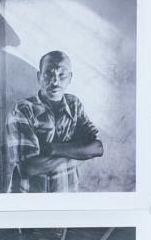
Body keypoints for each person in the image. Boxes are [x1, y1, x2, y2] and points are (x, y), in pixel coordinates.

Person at [6, 52, 103, 193]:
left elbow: (97, 148)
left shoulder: (74, 104)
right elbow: (28, 169)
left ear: (70, 78)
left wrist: (52, 148)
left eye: (62, 75)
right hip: (30, 196)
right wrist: (78, 150)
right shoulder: (23, 110)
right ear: (39, 76)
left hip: (67, 192)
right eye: (48, 74)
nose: (55, 81)